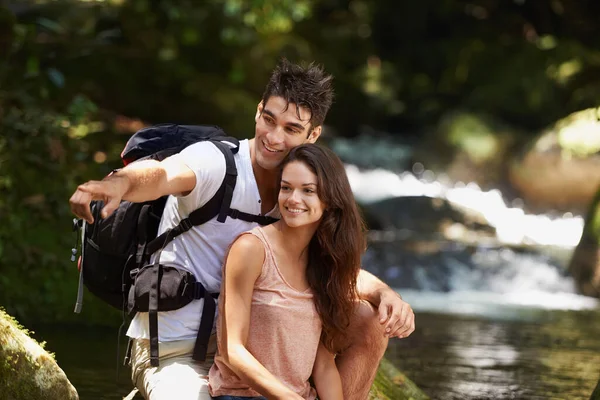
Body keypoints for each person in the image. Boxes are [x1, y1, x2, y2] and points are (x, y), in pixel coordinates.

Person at [69, 59, 415, 400]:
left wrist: (385, 294)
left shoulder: (300, 192)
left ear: (313, 135)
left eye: (291, 129)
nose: (274, 138)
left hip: (261, 353)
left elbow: (328, 266)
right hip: (179, 353)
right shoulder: (216, 162)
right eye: (269, 120)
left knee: (369, 322)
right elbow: (162, 176)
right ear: (258, 110)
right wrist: (118, 184)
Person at [209, 143, 366, 400]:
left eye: (308, 191)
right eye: (286, 188)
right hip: (240, 395)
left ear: (330, 199)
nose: (293, 199)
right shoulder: (251, 249)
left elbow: (324, 366)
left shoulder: (327, 263)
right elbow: (232, 351)